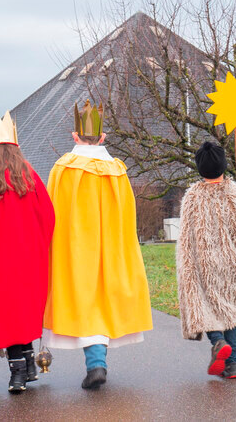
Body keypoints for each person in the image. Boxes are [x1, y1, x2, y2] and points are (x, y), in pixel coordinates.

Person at [43, 100, 153, 390]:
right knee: (104, 299)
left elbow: (50, 210)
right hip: (110, 245)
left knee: (83, 298)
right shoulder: (118, 169)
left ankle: (95, 364)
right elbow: (127, 212)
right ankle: (96, 363)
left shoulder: (62, 168)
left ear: (74, 136)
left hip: (75, 245)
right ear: (103, 137)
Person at [0, 111, 55, 393]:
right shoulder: (28, 174)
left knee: (6, 314)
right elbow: (48, 215)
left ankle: (18, 372)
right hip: (29, 257)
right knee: (25, 311)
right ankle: (29, 364)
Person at [176, 141, 236, 379]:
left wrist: (188, 264)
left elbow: (186, 235)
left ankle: (217, 342)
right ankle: (232, 365)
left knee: (206, 304)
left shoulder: (193, 197)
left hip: (205, 263)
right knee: (230, 310)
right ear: (224, 166)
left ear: (200, 169)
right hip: (233, 264)